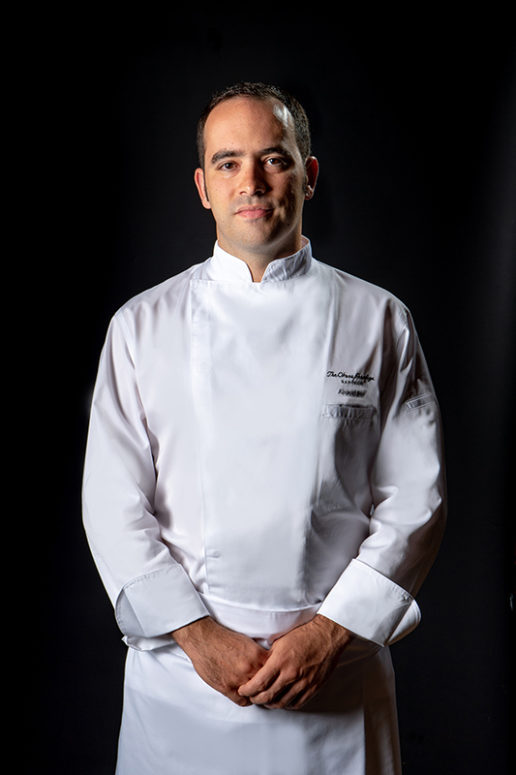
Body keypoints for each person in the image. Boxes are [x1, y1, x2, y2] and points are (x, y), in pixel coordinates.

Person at [82, 81, 446, 774]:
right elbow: (112, 503)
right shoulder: (140, 327)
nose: (250, 181)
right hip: (183, 686)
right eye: (228, 162)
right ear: (203, 187)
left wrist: (330, 633)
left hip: (336, 681)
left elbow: (416, 501)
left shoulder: (379, 319)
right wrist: (198, 635)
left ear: (309, 176)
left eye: (274, 159)